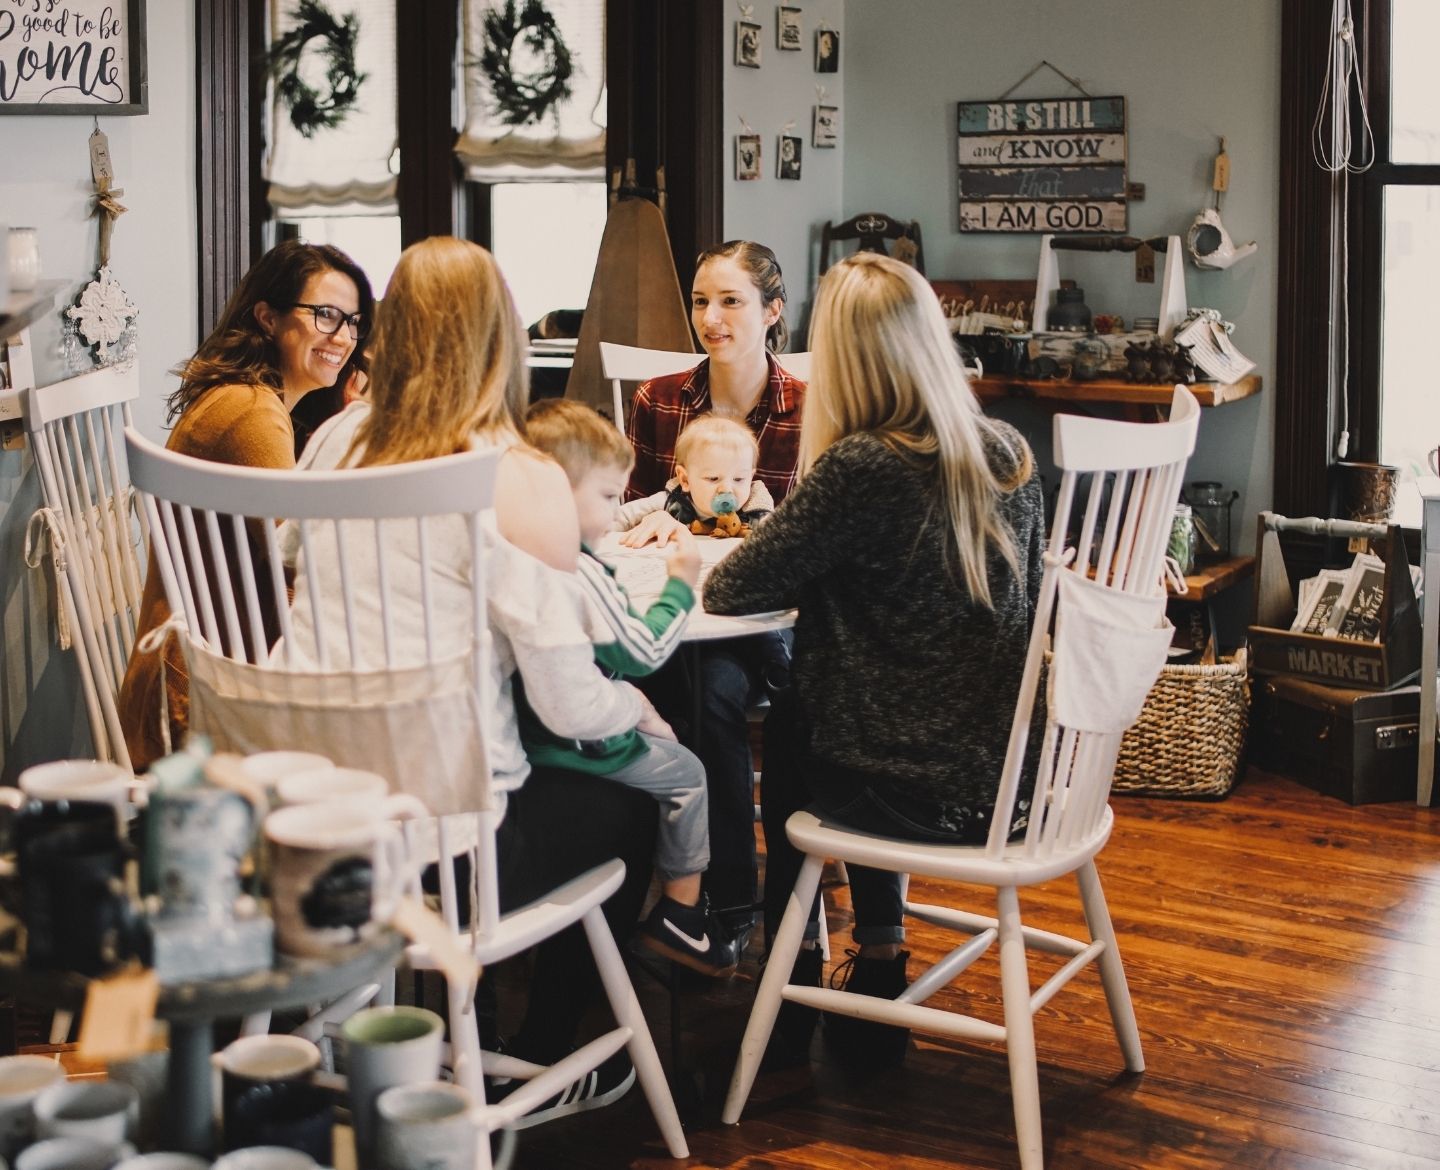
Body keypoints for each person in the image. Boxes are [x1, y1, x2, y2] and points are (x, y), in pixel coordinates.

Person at [282, 236, 660, 1121]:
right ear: (502, 338)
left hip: (319, 821)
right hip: (453, 849)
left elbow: (290, 559)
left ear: (390, 334)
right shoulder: (517, 475)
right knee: (626, 797)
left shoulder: (335, 439)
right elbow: (569, 705)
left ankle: (451, 1030)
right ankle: (542, 1054)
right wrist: (637, 706)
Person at [704, 252, 1046, 1069]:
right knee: (834, 716)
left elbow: (731, 588)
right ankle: (882, 956)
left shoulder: (863, 465)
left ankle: (789, 970)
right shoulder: (1006, 451)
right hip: (1005, 786)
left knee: (794, 724)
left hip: (899, 794)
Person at [119, 240, 374, 771]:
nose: (344, 337)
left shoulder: (249, 398)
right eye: (325, 315)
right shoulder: (252, 414)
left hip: (209, 675)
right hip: (210, 699)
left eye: (353, 321)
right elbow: (302, 570)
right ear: (267, 317)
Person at [621, 240, 806, 944]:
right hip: (678, 613)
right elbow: (634, 510)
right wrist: (654, 530)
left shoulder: (805, 406)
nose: (712, 317)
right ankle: (722, 909)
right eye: (701, 301)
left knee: (714, 688)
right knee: (704, 686)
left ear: (772, 312)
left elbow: (809, 534)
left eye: (731, 301)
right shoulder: (659, 400)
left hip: (769, 617)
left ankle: (719, 904)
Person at [522, 398, 738, 976]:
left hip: (523, 742)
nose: (616, 510)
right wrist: (680, 588)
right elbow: (641, 656)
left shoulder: (513, 557)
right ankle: (680, 916)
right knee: (687, 771)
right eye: (609, 496)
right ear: (560, 493)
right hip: (575, 744)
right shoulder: (582, 571)